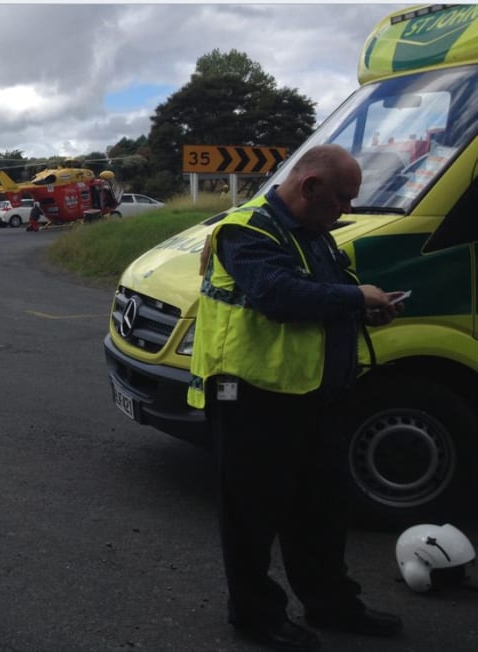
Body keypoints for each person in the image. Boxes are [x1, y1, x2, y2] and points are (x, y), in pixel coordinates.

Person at [187, 144, 405, 651]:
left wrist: (364, 309)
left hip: (312, 394)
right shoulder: (246, 231)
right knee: (252, 518)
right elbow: (277, 296)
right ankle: (255, 616)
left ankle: (331, 604)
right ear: (310, 188)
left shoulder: (317, 235)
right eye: (344, 198)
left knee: (322, 511)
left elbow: (325, 297)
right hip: (251, 397)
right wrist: (355, 298)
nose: (348, 209)